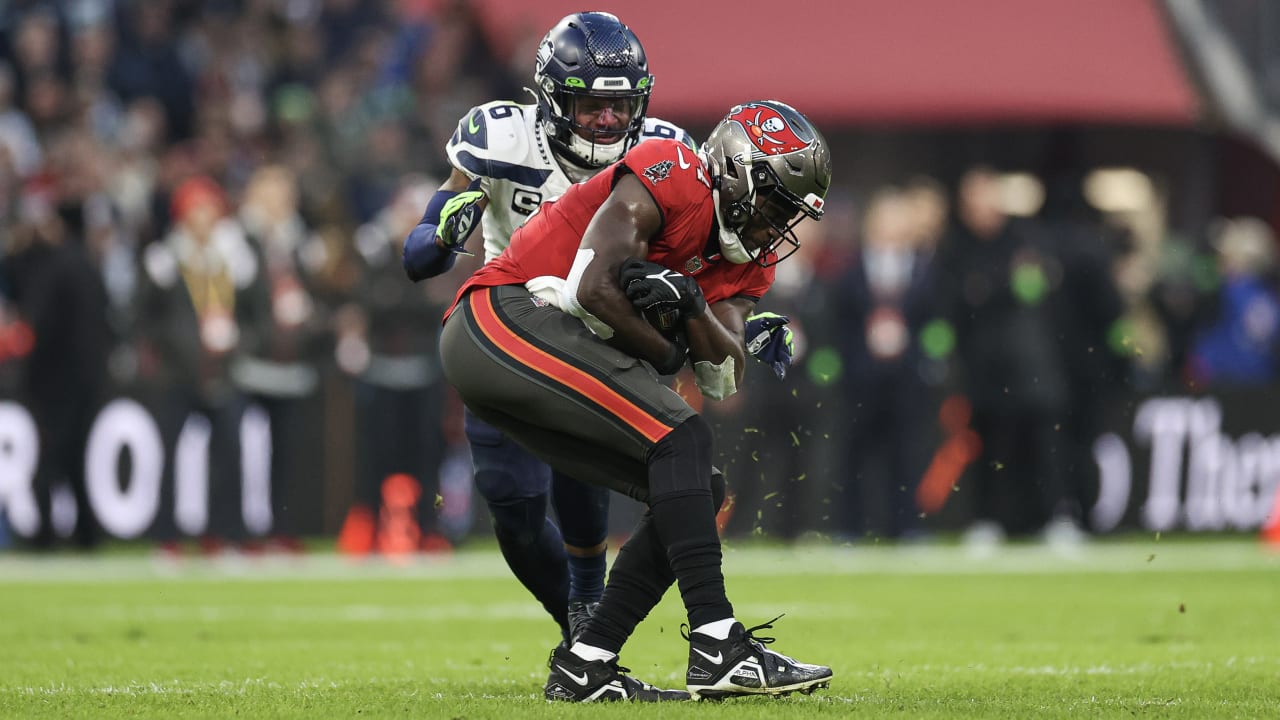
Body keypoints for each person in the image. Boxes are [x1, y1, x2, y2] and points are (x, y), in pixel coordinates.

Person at [402, 12, 790, 645]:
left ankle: (590, 620)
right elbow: (417, 255)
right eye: (590, 106)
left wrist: (741, 313)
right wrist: (443, 236)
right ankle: (578, 622)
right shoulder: (502, 136)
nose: (608, 121)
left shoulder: (665, 152)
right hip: (515, 329)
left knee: (595, 488)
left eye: (620, 105)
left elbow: (705, 254)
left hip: (600, 336)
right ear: (553, 98)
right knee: (516, 509)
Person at [439, 99, 833, 701]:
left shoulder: (745, 267)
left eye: (790, 212)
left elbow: (724, 376)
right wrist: (673, 345)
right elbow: (595, 287)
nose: (777, 225)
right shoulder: (671, 170)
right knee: (683, 438)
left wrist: (693, 308)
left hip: (541, 341)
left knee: (702, 485)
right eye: (775, 202)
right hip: (500, 317)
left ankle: (586, 662)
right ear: (736, 172)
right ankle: (719, 643)